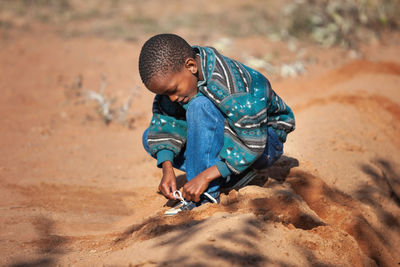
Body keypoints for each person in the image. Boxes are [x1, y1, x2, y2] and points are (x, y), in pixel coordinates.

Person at [139, 33, 295, 215]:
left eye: (173, 91)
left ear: (191, 65)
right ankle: (234, 177)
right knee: (150, 138)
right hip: (229, 135)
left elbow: (253, 142)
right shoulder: (179, 76)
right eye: (166, 94)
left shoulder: (230, 86)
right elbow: (166, 122)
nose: (172, 98)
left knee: (199, 106)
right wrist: (167, 168)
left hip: (265, 142)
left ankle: (205, 197)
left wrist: (203, 177)